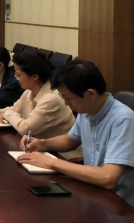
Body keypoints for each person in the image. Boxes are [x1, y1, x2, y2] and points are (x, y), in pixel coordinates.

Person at [17, 60, 134, 207]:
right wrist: (42, 144)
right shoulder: (87, 109)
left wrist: (51, 162)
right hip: (92, 192)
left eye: (68, 99)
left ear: (90, 93)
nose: (66, 104)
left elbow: (108, 177)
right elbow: (70, 140)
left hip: (119, 204)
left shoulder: (123, 120)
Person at [0, 51, 81, 159]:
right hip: (41, 150)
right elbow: (15, 109)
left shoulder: (51, 98)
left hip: (62, 156)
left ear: (35, 76)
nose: (16, 78)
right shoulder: (29, 91)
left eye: (19, 75)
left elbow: (26, 128)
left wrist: (6, 114)